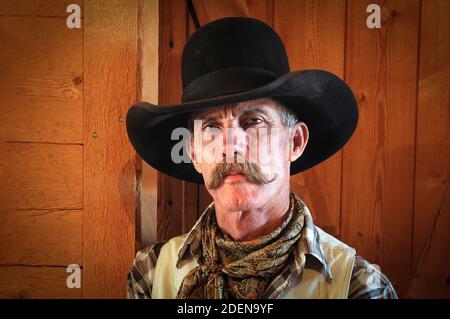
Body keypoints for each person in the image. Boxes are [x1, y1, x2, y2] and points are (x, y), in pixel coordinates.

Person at [125, 17, 397, 299]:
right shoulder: (152, 273)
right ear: (193, 153)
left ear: (295, 141)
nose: (230, 146)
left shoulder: (359, 286)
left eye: (253, 121)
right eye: (211, 127)